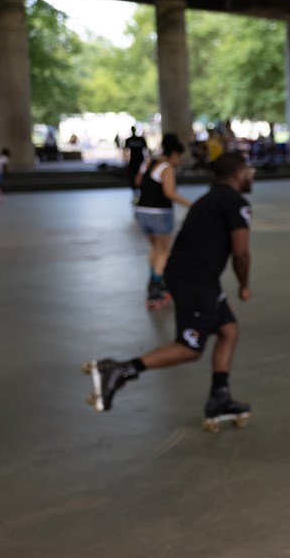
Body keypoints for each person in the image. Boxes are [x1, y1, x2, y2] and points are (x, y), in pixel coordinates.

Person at [83, 153, 254, 425]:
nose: (251, 175)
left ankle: (219, 398)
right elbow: (241, 254)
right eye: (248, 170)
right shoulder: (235, 204)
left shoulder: (208, 199)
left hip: (195, 277)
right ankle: (120, 370)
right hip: (194, 280)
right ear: (236, 174)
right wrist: (244, 285)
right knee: (190, 348)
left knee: (228, 330)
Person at [134, 134, 194, 308]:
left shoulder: (148, 163)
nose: (180, 160)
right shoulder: (167, 168)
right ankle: (156, 287)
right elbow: (170, 193)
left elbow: (138, 180)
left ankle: (154, 279)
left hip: (142, 211)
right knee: (164, 252)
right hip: (159, 213)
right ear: (174, 154)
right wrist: (192, 205)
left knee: (155, 248)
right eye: (180, 157)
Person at [123, 127, 148, 196]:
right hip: (135, 160)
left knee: (139, 174)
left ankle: (139, 188)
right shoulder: (131, 140)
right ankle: (136, 188)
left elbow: (146, 149)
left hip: (138, 160)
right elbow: (126, 151)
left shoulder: (138, 139)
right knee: (134, 175)